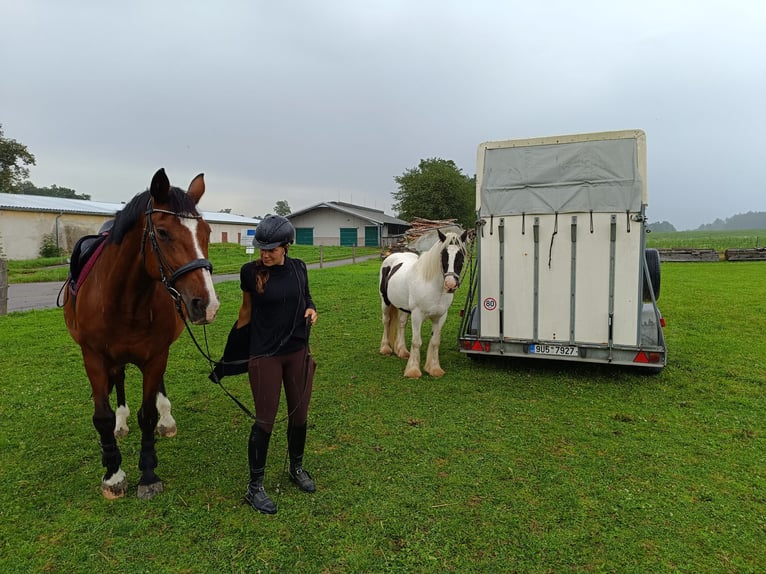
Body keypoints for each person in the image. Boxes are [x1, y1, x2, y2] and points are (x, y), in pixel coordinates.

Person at [236, 215, 318, 514]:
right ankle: (254, 487)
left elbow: (307, 297)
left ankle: (296, 468)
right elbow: (245, 311)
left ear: (286, 246)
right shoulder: (250, 272)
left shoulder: (299, 268)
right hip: (265, 355)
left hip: (298, 351)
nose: (265, 253)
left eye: (271, 249)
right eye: (262, 248)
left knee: (299, 415)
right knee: (265, 419)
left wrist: (311, 308)